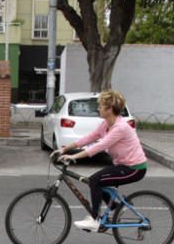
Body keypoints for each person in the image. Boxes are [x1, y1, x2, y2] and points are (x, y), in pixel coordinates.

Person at [54, 90, 148, 232]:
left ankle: (95, 220)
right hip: (122, 165)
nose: (98, 108)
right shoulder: (106, 124)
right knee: (97, 180)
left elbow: (100, 146)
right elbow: (89, 137)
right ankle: (116, 207)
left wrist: (74, 157)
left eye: (100, 106)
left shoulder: (120, 127)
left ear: (109, 109)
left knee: (95, 180)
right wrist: (65, 149)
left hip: (134, 169)